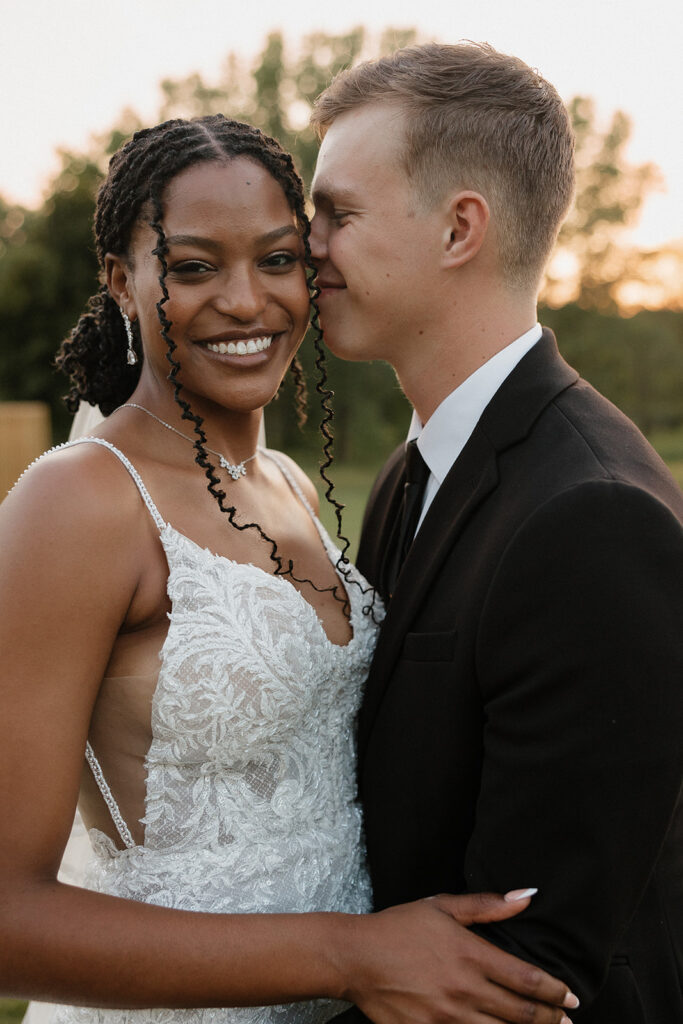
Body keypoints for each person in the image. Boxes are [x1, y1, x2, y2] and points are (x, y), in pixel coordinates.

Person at [0, 114, 578, 1024]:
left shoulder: (288, 487)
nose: (245, 302)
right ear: (121, 280)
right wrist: (348, 956)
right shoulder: (80, 504)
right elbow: (7, 917)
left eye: (276, 260)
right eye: (193, 268)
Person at [309, 42, 683, 1023]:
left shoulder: (590, 517)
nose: (305, 246)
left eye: (335, 214)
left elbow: (520, 970)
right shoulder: (411, 470)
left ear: (456, 228)